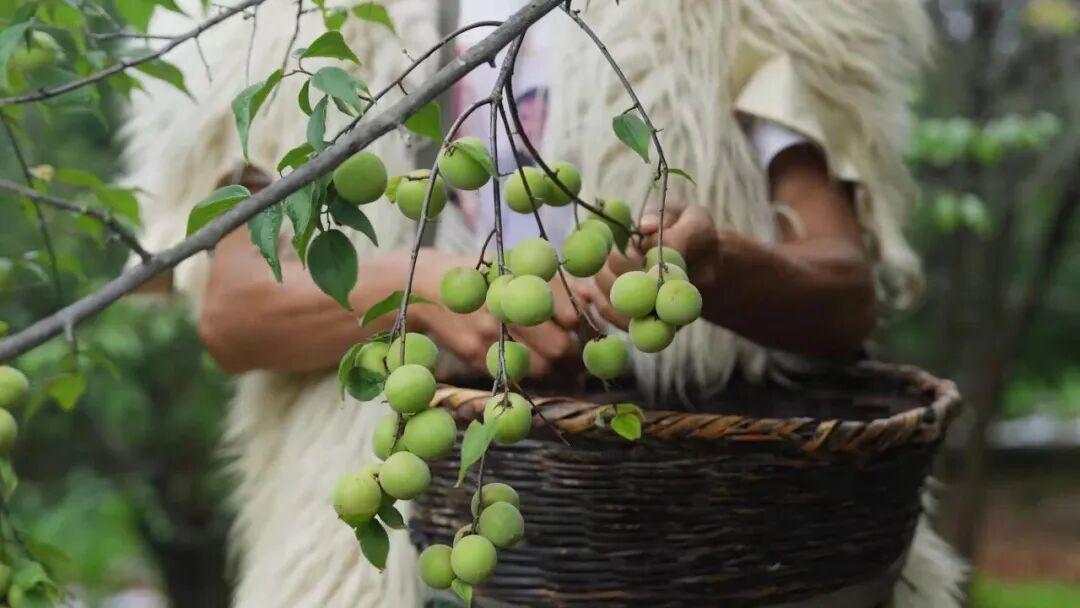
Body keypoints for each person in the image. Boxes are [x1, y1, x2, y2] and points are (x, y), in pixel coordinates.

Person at [125, 1, 964, 606]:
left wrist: (718, 269)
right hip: (389, 561)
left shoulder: (742, 16)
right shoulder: (295, 25)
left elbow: (842, 295)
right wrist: (420, 290)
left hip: (709, 542)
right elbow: (234, 311)